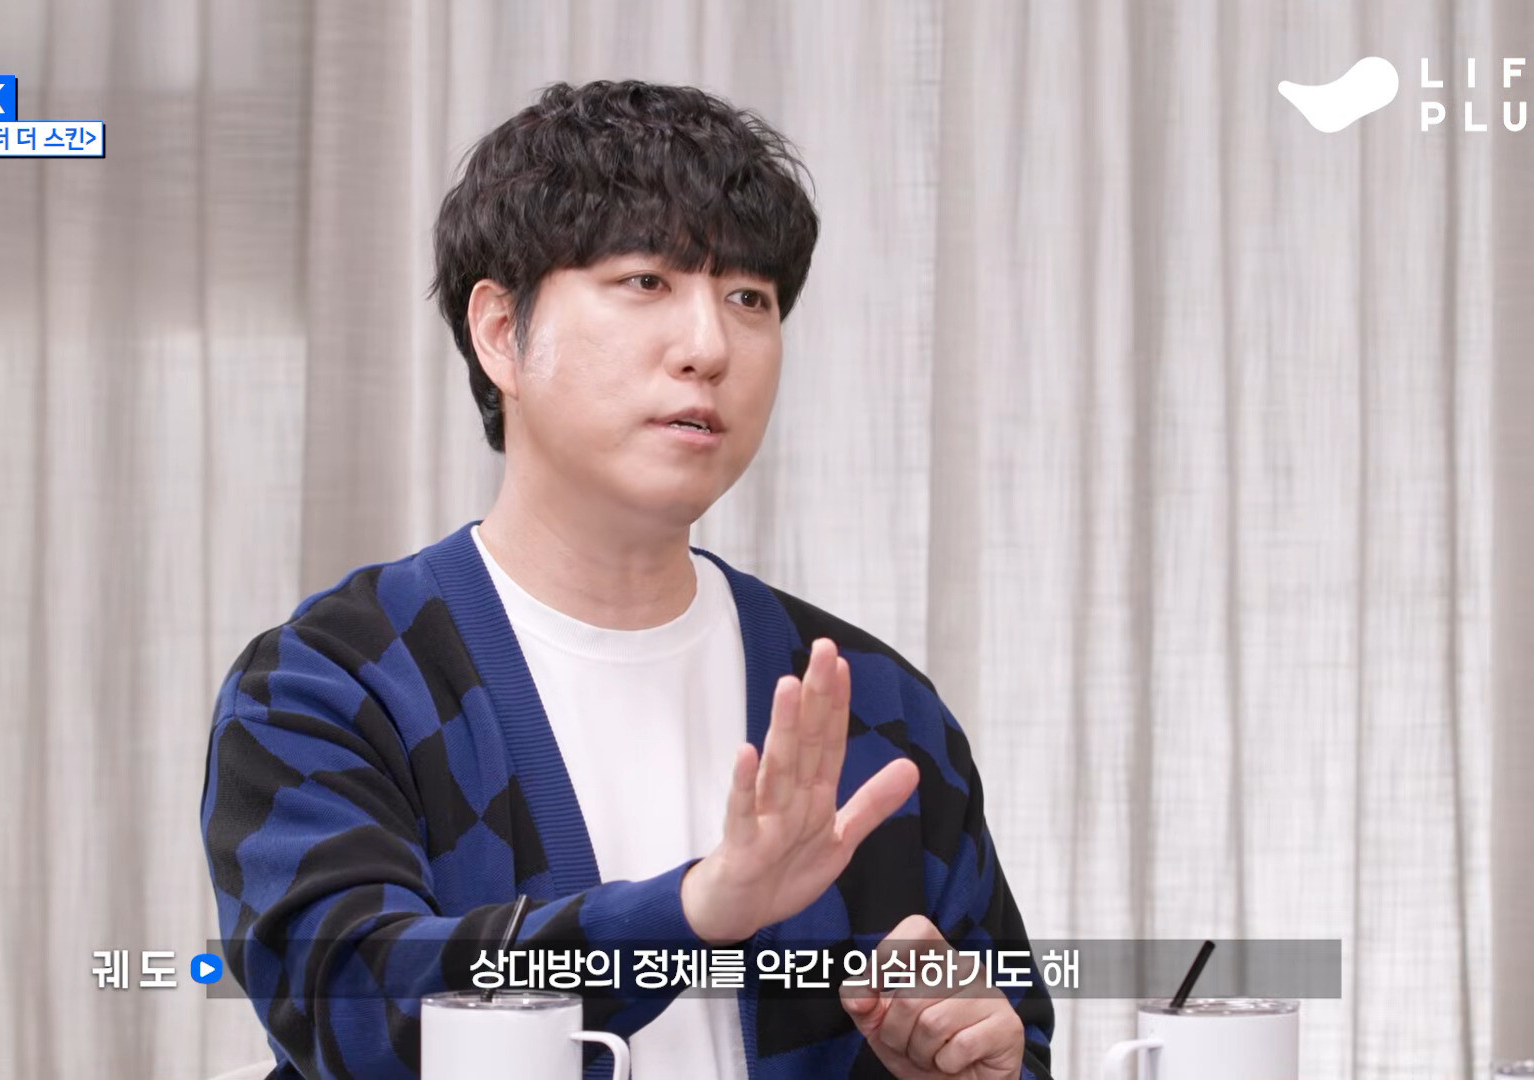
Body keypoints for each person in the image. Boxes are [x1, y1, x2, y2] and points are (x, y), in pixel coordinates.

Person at [199, 79, 1053, 1080]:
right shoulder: (334, 683)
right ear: (501, 332)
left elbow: (1014, 1037)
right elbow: (353, 1003)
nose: (709, 347)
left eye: (749, 299)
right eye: (646, 281)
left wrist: (973, 1062)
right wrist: (694, 911)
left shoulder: (874, 711)